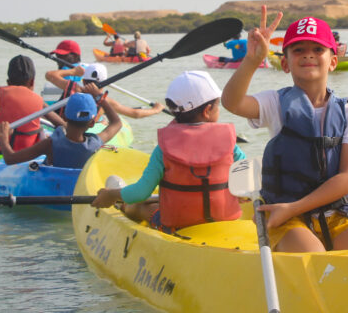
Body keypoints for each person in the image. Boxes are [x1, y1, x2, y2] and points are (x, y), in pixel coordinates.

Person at [222, 7, 348, 253]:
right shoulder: (275, 104)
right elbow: (232, 102)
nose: (308, 55)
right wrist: (252, 60)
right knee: (314, 257)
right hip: (285, 216)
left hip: (338, 213)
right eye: (299, 50)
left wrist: (295, 207)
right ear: (285, 64)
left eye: (317, 49)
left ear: (332, 62)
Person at [91, 71, 245, 233]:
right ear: (207, 110)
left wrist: (111, 195)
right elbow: (247, 182)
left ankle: (128, 208)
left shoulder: (164, 150)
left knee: (141, 206)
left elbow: (140, 193)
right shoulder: (230, 144)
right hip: (225, 222)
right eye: (218, 105)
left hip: (178, 226)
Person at [0, 85, 121, 168]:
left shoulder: (50, 144)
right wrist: (101, 97)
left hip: (52, 187)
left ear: (65, 117)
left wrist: (3, 137)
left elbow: (10, 159)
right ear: (92, 123)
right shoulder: (95, 144)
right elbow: (117, 123)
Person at [0, 55, 65, 157]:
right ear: (32, 81)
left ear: (8, 82)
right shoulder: (39, 102)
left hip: (1, 152)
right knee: (41, 131)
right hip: (29, 153)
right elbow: (62, 125)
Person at [45, 63, 164, 119]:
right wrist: (156, 109)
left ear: (84, 79)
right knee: (103, 120)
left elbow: (49, 75)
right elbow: (135, 114)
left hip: (59, 127)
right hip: (84, 135)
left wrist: (73, 71)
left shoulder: (72, 87)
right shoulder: (105, 102)